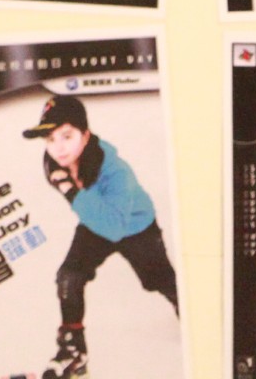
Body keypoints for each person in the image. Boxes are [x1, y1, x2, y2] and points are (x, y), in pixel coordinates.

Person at [23, 93, 178, 379]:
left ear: (85, 135)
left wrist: (70, 191)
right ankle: (73, 350)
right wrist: (75, 193)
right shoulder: (53, 163)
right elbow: (96, 218)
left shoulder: (116, 171)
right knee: (69, 277)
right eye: (50, 139)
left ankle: (194, 316)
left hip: (135, 227)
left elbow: (114, 227)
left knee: (160, 280)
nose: (58, 148)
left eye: (66, 136)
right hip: (95, 222)